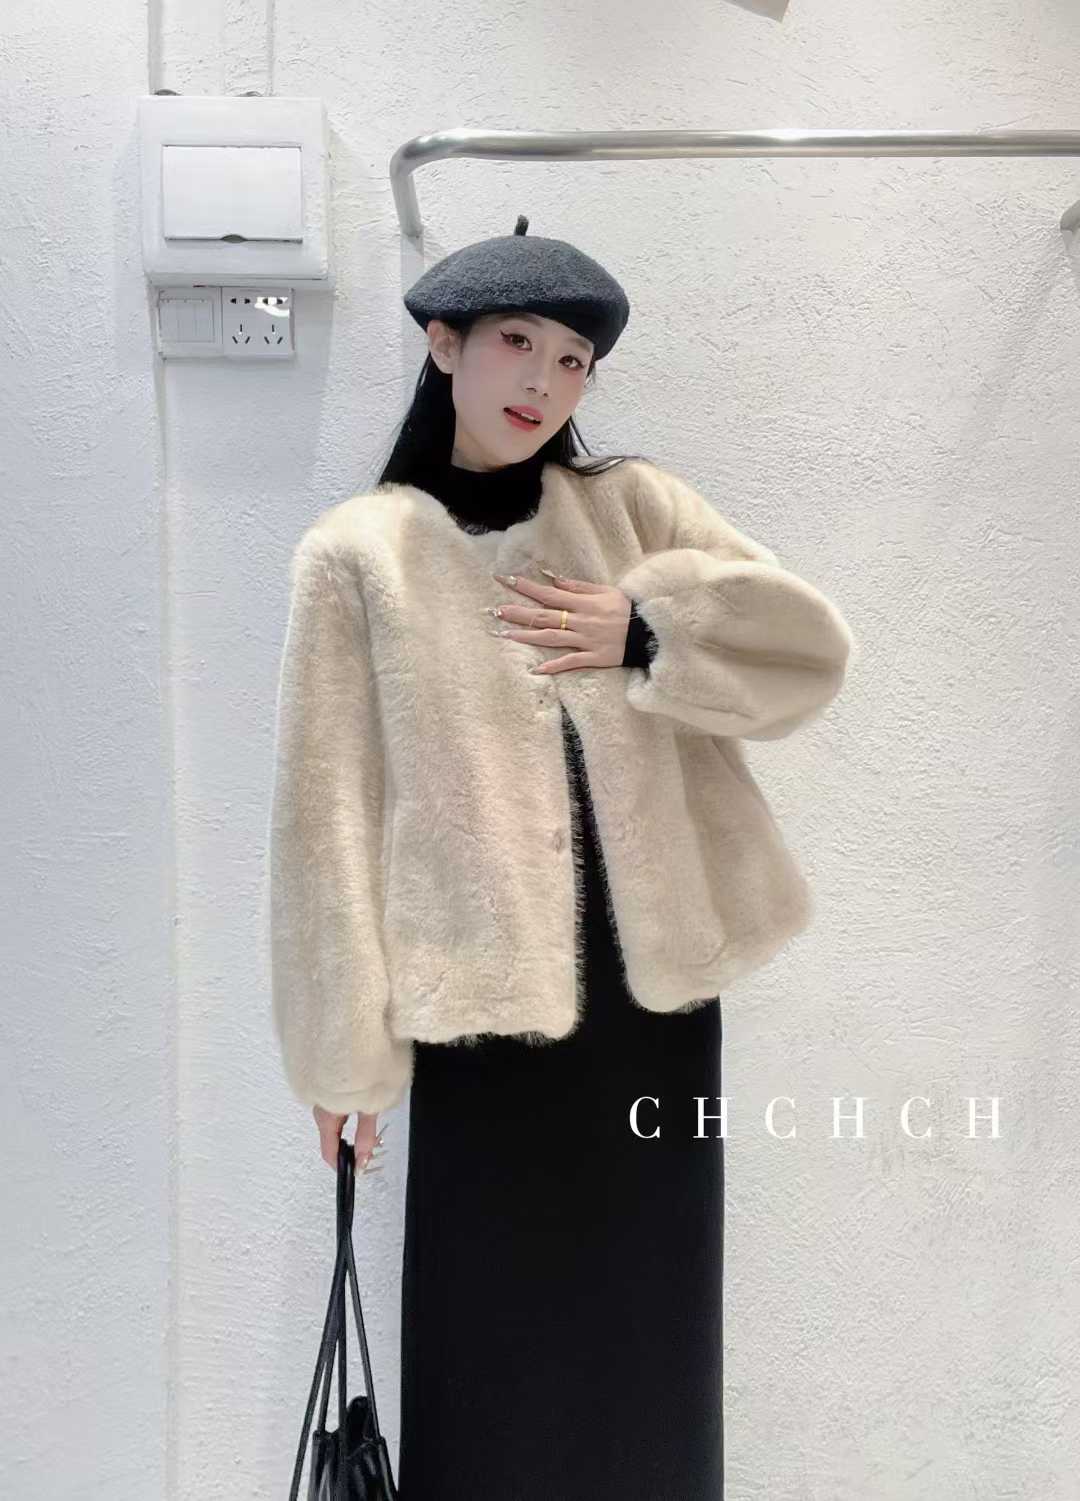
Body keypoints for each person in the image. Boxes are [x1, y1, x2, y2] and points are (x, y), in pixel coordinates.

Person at [267, 215, 856, 1498]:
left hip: (652, 1007)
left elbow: (805, 653)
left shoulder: (631, 509)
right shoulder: (359, 554)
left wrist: (646, 631)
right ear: (445, 344)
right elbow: (327, 814)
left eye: (575, 359)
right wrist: (341, 1055)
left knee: (652, 1340)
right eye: (518, 343)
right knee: (491, 1348)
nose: (545, 380)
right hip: (481, 1020)